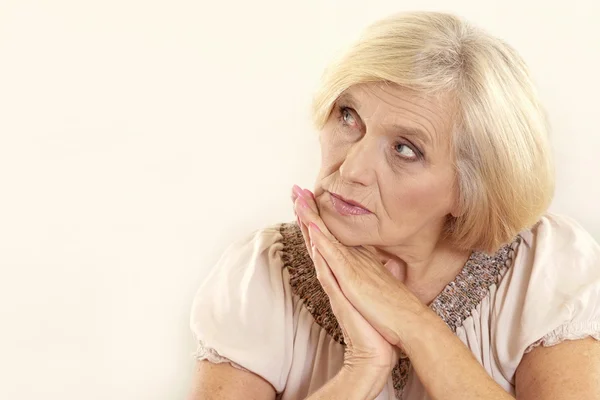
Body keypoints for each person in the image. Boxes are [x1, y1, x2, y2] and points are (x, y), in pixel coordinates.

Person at [187, 11, 600, 400]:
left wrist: (414, 324)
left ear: (470, 189)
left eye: (405, 149)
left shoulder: (543, 267)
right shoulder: (262, 273)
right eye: (348, 117)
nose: (351, 169)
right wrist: (361, 368)